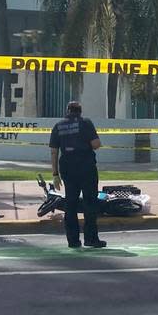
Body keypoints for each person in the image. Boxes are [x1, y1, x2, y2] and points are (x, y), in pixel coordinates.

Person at [49, 101, 106, 248]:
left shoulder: (58, 126)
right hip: (86, 166)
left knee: (71, 203)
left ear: (67, 110)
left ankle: (73, 241)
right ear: (80, 111)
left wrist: (55, 174)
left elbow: (54, 151)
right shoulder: (86, 123)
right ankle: (91, 239)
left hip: (67, 168)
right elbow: (96, 144)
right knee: (90, 202)